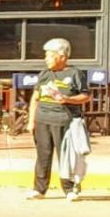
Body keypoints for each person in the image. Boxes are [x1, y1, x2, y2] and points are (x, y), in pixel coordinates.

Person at [26, 37, 91, 201]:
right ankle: (39, 189)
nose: (45, 59)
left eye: (49, 55)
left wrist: (67, 99)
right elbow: (35, 98)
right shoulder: (45, 74)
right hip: (43, 120)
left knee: (66, 156)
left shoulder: (74, 73)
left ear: (62, 56)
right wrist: (31, 121)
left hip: (64, 121)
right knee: (43, 156)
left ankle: (70, 189)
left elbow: (86, 96)